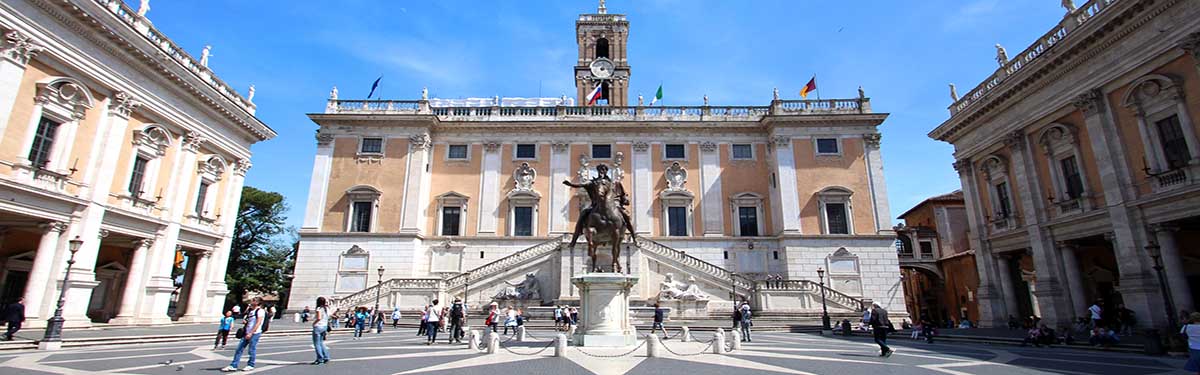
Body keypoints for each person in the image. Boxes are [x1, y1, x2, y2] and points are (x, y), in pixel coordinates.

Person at [222, 297, 265, 372]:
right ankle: (233, 365)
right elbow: (250, 320)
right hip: (246, 332)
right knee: (239, 349)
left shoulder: (260, 311)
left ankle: (250, 365)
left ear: (257, 303)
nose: (251, 301)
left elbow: (258, 323)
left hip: (254, 333)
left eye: (253, 300)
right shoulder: (251, 310)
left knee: (251, 349)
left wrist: (251, 333)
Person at [311, 297, 331, 365]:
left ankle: (320, 359)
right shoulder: (327, 308)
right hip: (324, 326)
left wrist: (313, 323)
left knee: (317, 344)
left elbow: (319, 318)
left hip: (318, 326)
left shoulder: (319, 308)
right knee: (321, 343)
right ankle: (326, 357)